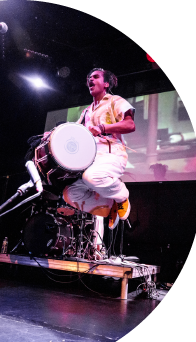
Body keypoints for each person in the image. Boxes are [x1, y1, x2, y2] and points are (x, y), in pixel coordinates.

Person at [63, 68, 136, 230]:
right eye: (89, 77)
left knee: (91, 177)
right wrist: (53, 134)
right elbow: (75, 133)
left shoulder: (115, 100)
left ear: (106, 84)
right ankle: (110, 205)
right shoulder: (86, 111)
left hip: (111, 155)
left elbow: (130, 124)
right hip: (91, 160)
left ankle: (122, 196)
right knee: (70, 193)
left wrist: (103, 127)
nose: (90, 79)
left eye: (96, 77)